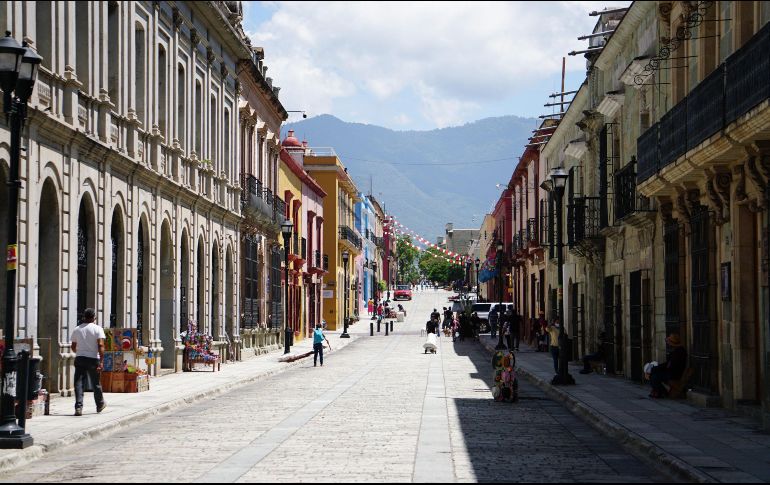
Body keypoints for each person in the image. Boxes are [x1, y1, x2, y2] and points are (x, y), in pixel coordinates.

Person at [70, 308, 107, 416]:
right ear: (94, 317)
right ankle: (100, 404)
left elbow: (73, 346)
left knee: (78, 383)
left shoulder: (77, 329)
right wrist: (101, 361)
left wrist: (80, 352)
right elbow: (100, 345)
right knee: (96, 383)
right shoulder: (97, 329)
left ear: (84, 317)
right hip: (93, 359)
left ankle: (78, 407)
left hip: (80, 358)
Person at [649, 334, 688, 398]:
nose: (668, 344)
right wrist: (657, 367)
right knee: (653, 372)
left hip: (675, 374)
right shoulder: (676, 350)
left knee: (654, 377)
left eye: (669, 343)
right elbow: (668, 364)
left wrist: (661, 368)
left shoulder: (680, 352)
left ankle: (662, 392)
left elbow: (672, 366)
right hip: (671, 372)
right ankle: (657, 391)